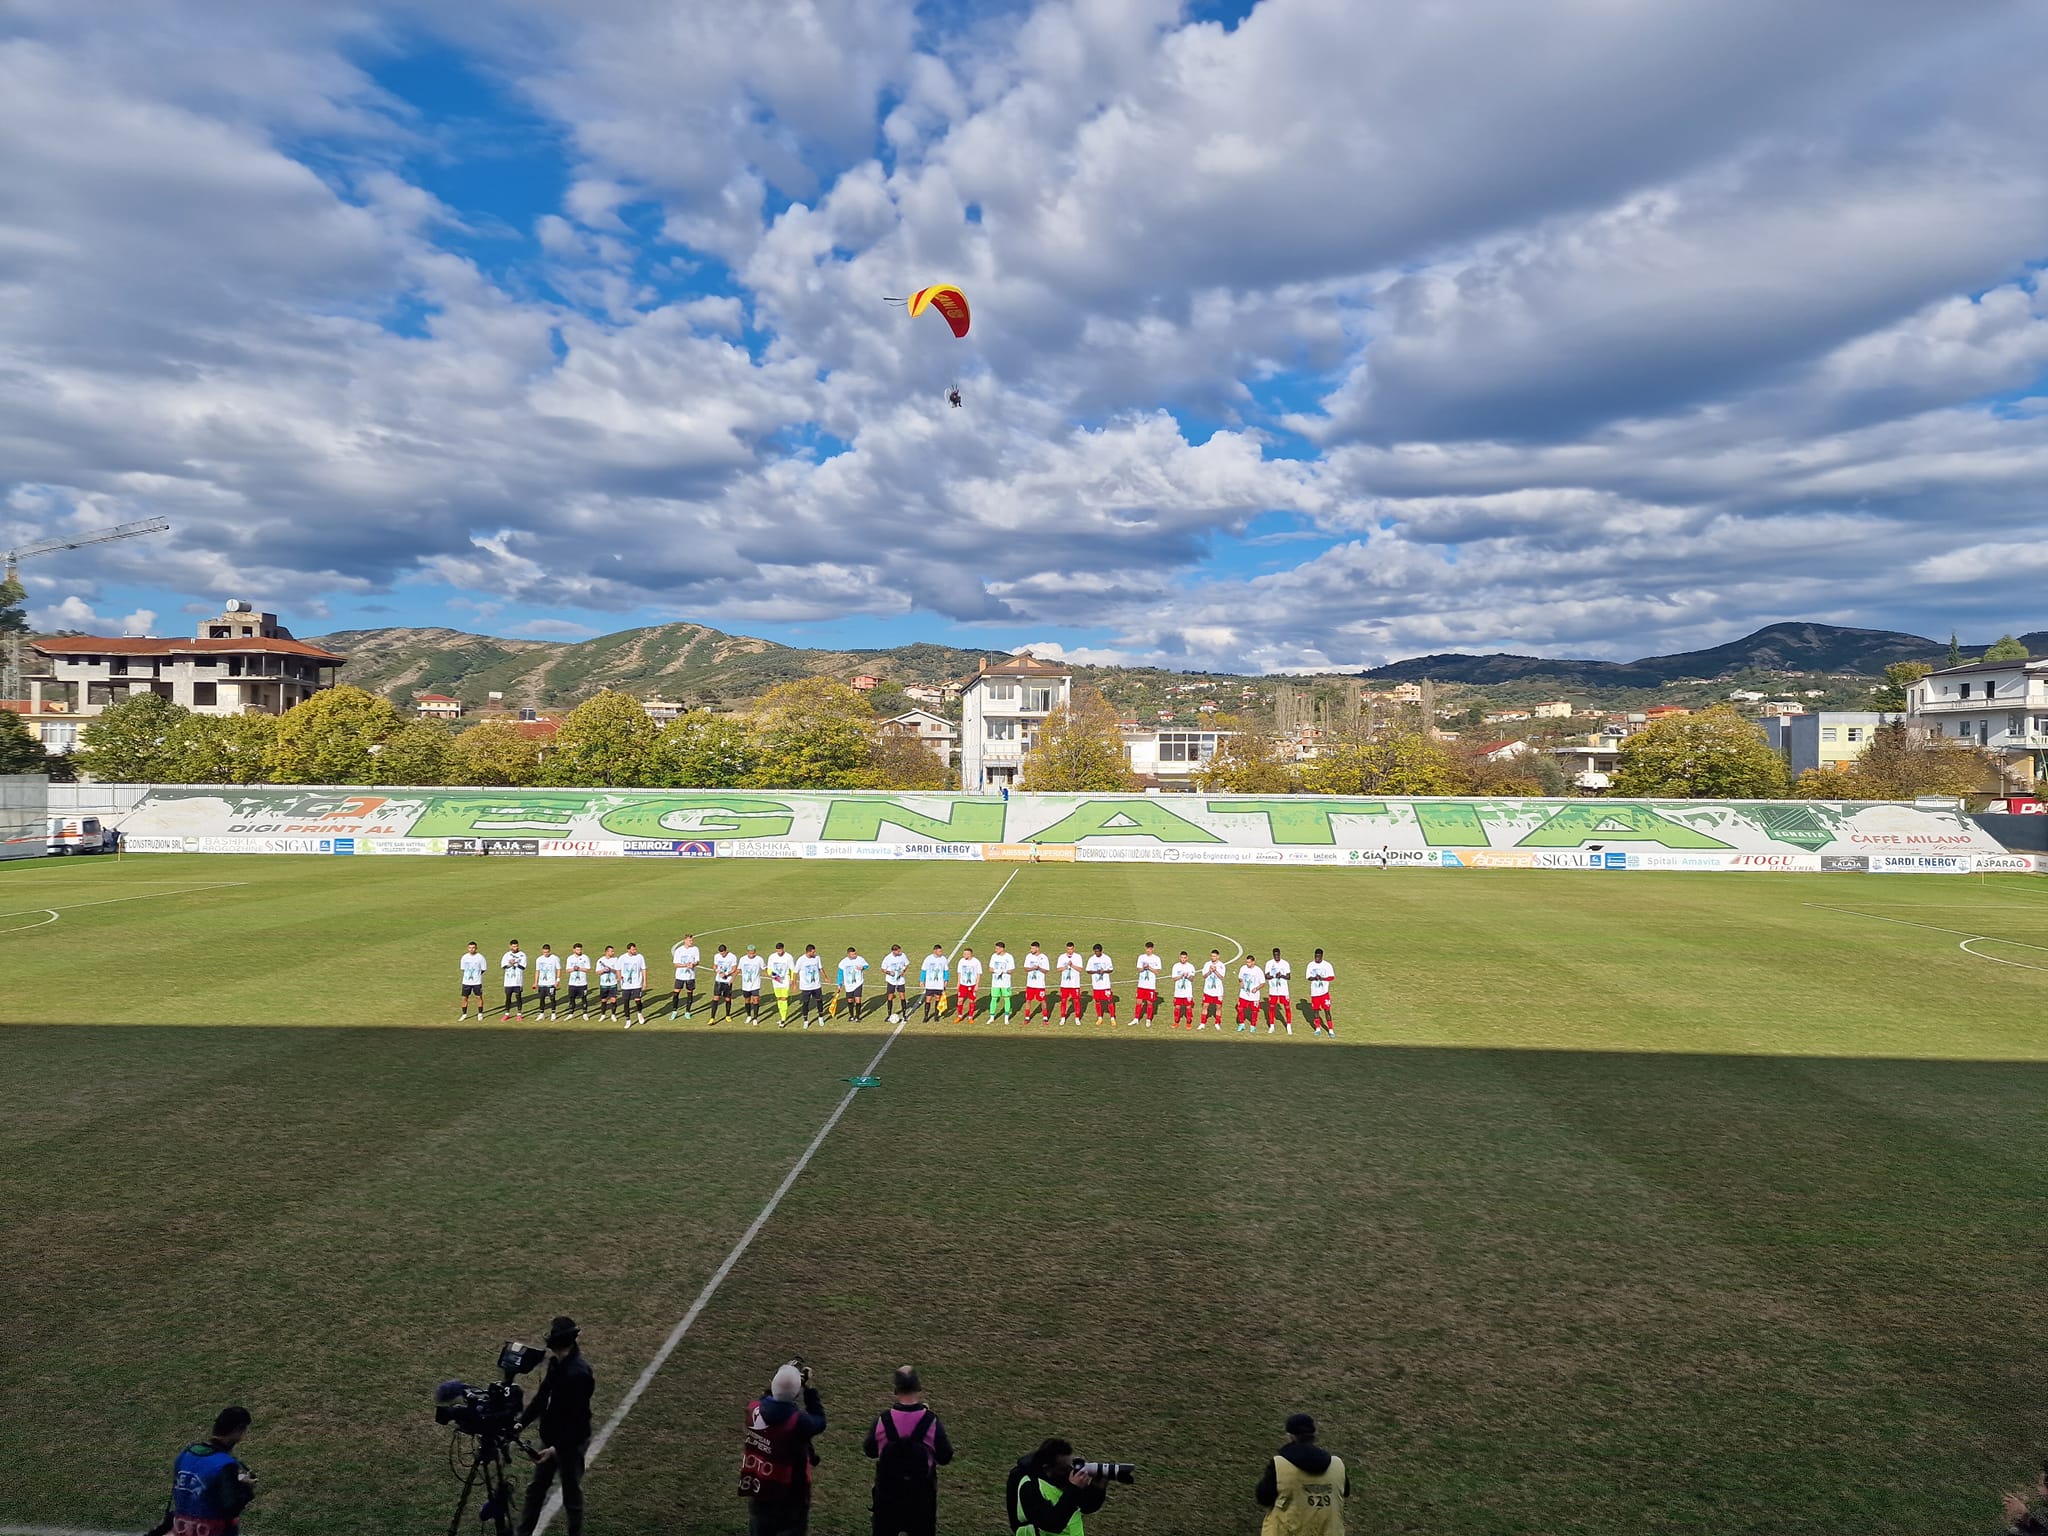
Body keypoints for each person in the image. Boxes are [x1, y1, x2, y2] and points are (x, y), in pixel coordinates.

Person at [516, 1316, 595, 1536]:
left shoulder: (578, 1374)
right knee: (536, 1490)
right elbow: (541, 1400)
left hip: (569, 1444)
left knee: (571, 1494)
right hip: (552, 1440)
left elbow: (579, 1422)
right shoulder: (556, 1365)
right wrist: (520, 1423)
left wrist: (556, 1449)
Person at [740, 1360, 826, 1536]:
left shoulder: (753, 1410)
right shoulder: (798, 1422)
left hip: (760, 1487)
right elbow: (819, 1420)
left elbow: (765, 1399)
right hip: (790, 1495)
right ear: (795, 1394)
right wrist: (809, 1390)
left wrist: (782, 1377)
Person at [865, 1366, 953, 1536]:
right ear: (918, 1389)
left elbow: (870, 1450)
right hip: (921, 1498)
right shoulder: (931, 1421)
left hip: (888, 1496)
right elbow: (945, 1456)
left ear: (895, 1390)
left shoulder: (883, 1420)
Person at [146, 1406, 256, 1536]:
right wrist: (246, 1487)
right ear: (238, 1430)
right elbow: (231, 1507)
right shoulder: (225, 1465)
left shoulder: (185, 1454)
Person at [1254, 1413, 1348, 1536]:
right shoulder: (1337, 1465)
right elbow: (1345, 1492)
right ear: (1314, 1435)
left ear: (1290, 1436)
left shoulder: (1279, 1465)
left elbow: (1263, 1497)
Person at [1005, 1438, 1107, 1536]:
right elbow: (1052, 1524)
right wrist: (1074, 1489)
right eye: (1064, 1469)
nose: (1070, 1472)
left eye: (1071, 1466)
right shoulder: (1028, 1485)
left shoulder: (1064, 1480)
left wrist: (1097, 1487)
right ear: (1047, 1468)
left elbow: (1087, 1507)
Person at [1305, 949, 1335, 1036]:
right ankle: (1317, 1028)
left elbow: (1332, 977)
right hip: (1315, 993)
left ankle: (1330, 1029)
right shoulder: (1310, 965)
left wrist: (1322, 978)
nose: (1317, 958)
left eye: (1319, 957)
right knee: (1316, 1011)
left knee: (1327, 1010)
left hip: (1324, 993)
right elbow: (1308, 977)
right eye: (1316, 956)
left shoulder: (1327, 965)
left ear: (1322, 956)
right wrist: (1314, 978)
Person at [1264, 948, 1294, 1035]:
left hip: (1284, 990)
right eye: (1275, 955)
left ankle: (1288, 1026)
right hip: (1273, 989)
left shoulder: (1285, 963)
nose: (1276, 957)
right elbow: (1266, 976)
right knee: (1272, 1007)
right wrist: (1274, 975)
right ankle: (1272, 1026)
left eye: (1277, 955)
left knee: (1287, 1007)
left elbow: (1289, 977)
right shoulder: (1269, 963)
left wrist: (1281, 975)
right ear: (1273, 955)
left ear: (1280, 954)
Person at [671, 933, 701, 1020]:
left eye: (692, 940)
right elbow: (676, 964)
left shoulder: (695, 949)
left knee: (690, 993)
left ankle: (688, 1012)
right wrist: (685, 965)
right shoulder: (679, 950)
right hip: (680, 976)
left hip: (690, 976)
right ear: (685, 940)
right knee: (676, 993)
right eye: (689, 940)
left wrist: (693, 964)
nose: (691, 942)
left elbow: (697, 961)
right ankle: (674, 1011)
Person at [618, 942, 648, 1027]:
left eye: (635, 949)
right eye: (633, 949)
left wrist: (644, 982)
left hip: (637, 983)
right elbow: (618, 968)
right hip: (626, 984)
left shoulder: (639, 957)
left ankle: (639, 1013)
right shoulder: (622, 958)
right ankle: (628, 1019)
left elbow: (643, 969)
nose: (635, 951)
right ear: (628, 950)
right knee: (626, 1002)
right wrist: (619, 976)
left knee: (637, 1000)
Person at [1086, 944, 1116, 1025]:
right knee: (1097, 1001)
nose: (1096, 953)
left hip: (1105, 985)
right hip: (1096, 985)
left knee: (1109, 1000)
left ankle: (1112, 1018)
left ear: (1101, 951)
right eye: (1095, 952)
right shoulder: (1091, 959)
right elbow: (1088, 971)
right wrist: (1096, 972)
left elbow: (1111, 969)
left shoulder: (1107, 958)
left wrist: (1104, 971)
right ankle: (1099, 1018)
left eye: (1098, 952)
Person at [797, 944, 826, 1027]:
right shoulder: (801, 960)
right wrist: (794, 983)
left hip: (816, 985)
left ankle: (820, 1017)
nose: (815, 953)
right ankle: (805, 1021)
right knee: (805, 1003)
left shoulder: (817, 958)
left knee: (819, 1001)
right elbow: (796, 971)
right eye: (813, 952)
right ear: (809, 952)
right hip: (805, 987)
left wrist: (825, 977)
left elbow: (820, 968)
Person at [1133, 942, 1162, 1026]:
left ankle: (1148, 1020)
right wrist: (1143, 968)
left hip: (1150, 985)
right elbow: (1139, 969)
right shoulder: (1141, 957)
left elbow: (1157, 971)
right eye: (1147, 949)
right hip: (1141, 984)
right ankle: (1136, 1018)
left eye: (1150, 949)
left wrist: (1149, 967)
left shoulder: (1156, 958)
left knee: (1149, 1002)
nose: (1148, 951)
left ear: (1152, 949)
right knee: (1138, 1001)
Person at [837, 946, 869, 1021]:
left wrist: (863, 968)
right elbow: (840, 974)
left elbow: (867, 965)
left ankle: (857, 1016)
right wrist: (839, 984)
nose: (854, 955)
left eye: (855, 954)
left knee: (858, 999)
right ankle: (851, 1016)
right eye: (852, 954)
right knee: (850, 1000)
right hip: (848, 985)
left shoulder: (860, 959)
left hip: (858, 983)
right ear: (848, 954)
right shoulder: (843, 962)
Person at [1236, 952, 1265, 1033]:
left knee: (1254, 1011)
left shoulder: (1258, 971)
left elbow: (1263, 983)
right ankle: (1241, 1024)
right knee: (1240, 1009)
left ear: (1253, 962)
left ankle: (1253, 1025)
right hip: (1244, 994)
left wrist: (1256, 988)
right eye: (1247, 962)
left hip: (1254, 995)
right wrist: (1241, 983)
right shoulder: (1243, 968)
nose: (1247, 964)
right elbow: (1240, 978)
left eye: (1249, 962)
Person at [1021, 942, 1051, 1023]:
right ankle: (1027, 1017)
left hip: (1040, 985)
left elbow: (1046, 970)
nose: (1031, 950)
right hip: (1030, 984)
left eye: (1033, 948)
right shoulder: (1028, 956)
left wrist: (1039, 968)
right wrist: (1032, 968)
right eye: (1031, 948)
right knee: (1028, 1000)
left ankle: (1045, 1017)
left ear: (1037, 948)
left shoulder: (1044, 957)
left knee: (1042, 1000)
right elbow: (1025, 969)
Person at [881, 944, 911, 1023]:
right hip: (891, 981)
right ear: (894, 951)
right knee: (890, 997)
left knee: (902, 996)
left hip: (900, 980)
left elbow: (907, 964)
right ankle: (889, 1015)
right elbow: (883, 969)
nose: (900, 952)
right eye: (898, 951)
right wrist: (889, 972)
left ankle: (904, 1015)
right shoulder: (888, 958)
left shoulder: (903, 955)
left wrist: (903, 971)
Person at [738, 944, 767, 1024]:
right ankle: (748, 1015)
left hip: (755, 984)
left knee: (756, 1000)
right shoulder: (742, 959)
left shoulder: (759, 959)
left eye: (753, 952)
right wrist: (732, 977)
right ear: (747, 952)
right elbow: (738, 969)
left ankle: (755, 1018)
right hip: (745, 985)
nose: (751, 954)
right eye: (750, 952)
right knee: (747, 1000)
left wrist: (767, 973)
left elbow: (764, 968)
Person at [1056, 944, 1085, 1024]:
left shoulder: (1078, 957)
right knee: (1063, 1000)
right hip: (1064, 984)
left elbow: (1080, 969)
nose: (1069, 951)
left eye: (1071, 949)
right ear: (1066, 949)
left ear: (1073, 949)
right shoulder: (1061, 957)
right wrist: (1065, 967)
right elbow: (1058, 969)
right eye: (1068, 949)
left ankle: (1077, 1018)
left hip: (1075, 984)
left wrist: (1072, 965)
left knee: (1076, 1001)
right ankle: (1062, 1017)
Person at [919, 945, 949, 1022]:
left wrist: (946, 980)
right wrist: (922, 980)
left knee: (937, 998)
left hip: (939, 984)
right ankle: (926, 1016)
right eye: (939, 951)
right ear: (935, 951)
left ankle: (936, 1015)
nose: (941, 953)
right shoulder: (928, 959)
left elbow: (946, 971)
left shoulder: (943, 959)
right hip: (930, 984)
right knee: (928, 999)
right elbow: (923, 970)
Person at [988, 941, 1016, 1022]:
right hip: (995, 982)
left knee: (1006, 998)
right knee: (994, 998)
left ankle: (1006, 1017)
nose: (995, 950)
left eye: (997, 948)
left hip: (1005, 983)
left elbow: (1011, 970)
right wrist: (997, 970)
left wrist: (1003, 971)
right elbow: (990, 969)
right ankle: (992, 1017)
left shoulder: (1009, 957)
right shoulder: (994, 956)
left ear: (1002, 949)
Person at [769, 942, 796, 1025]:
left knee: (784, 998)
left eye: (780, 950)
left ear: (783, 949)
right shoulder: (772, 957)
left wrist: (792, 979)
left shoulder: (788, 957)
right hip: (776, 981)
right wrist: (774, 976)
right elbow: (769, 969)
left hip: (785, 981)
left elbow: (792, 969)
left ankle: (783, 1019)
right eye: (778, 951)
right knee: (778, 998)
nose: (779, 952)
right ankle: (781, 1017)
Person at [501, 940, 528, 1021]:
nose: (515, 948)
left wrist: (515, 963)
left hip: (517, 981)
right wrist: (510, 964)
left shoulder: (522, 955)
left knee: (518, 997)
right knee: (508, 997)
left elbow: (523, 967)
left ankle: (519, 1014)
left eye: (516, 946)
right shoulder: (506, 955)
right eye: (513, 946)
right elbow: (503, 966)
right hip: (508, 981)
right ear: (510, 946)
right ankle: (507, 1013)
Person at [458, 942, 487, 1020]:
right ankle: (464, 1014)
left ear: (476, 948)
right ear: (468, 948)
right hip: (466, 982)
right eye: (470, 948)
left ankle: (480, 1014)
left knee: (479, 997)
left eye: (473, 948)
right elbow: (463, 969)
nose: (471, 949)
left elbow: (483, 969)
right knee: (464, 998)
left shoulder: (480, 957)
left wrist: (476, 975)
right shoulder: (464, 957)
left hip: (477, 982)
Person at [1200, 949, 1227, 1030]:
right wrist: (1209, 971)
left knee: (1218, 1007)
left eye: (1214, 956)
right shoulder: (1207, 964)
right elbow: (1204, 976)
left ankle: (1217, 1023)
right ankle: (1202, 1023)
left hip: (1218, 991)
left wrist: (1215, 971)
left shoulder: (1221, 965)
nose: (1213, 958)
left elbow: (1222, 977)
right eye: (1212, 956)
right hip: (1208, 990)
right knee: (1205, 1006)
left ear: (1218, 957)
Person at [713, 943, 739, 1023]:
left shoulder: (732, 957)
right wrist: (718, 971)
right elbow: (714, 966)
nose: (722, 955)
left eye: (723, 953)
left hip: (727, 981)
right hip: (718, 980)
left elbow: (734, 968)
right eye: (721, 953)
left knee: (727, 998)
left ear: (726, 951)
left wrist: (726, 974)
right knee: (716, 998)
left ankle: (728, 1015)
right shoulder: (716, 956)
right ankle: (712, 1017)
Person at [1170, 950, 1197, 1028]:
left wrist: (1187, 976)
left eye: (1184, 958)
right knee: (1177, 1007)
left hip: (1187, 992)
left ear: (1187, 958)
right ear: (1179, 957)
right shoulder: (1176, 966)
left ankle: (1188, 1023)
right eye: (1182, 957)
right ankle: (1176, 1022)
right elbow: (1174, 978)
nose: (1183, 959)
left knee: (1188, 1007)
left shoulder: (1190, 966)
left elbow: (1192, 979)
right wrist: (1181, 976)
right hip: (1178, 992)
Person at [566, 943, 592, 1020]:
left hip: (582, 983)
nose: (579, 951)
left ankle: (585, 1013)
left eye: (580, 949)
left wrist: (579, 968)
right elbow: (567, 970)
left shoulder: (585, 957)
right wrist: (573, 969)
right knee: (571, 998)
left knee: (584, 998)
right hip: (572, 983)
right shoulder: (570, 958)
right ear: (573, 950)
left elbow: (588, 969)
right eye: (577, 949)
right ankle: (571, 1013)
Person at [534, 944, 560, 1020]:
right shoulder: (539, 959)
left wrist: (557, 980)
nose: (546, 954)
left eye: (547, 952)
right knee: (541, 998)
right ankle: (541, 1013)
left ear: (550, 951)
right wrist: (536, 982)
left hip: (551, 983)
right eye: (544, 952)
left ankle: (553, 1013)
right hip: (542, 983)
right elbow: (537, 971)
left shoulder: (555, 958)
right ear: (542, 951)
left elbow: (558, 969)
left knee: (552, 998)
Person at [596, 945, 622, 1022]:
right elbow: (597, 972)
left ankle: (613, 1015)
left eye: (613, 951)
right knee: (603, 1000)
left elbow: (618, 970)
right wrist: (603, 970)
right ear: (607, 952)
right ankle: (603, 1015)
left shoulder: (615, 960)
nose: (613, 953)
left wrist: (611, 970)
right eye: (612, 951)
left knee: (613, 999)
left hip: (613, 983)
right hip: (603, 984)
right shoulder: (600, 960)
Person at [955, 947, 982, 1020]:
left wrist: (977, 985)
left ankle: (970, 1016)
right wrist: (958, 982)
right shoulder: (961, 961)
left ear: (969, 954)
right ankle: (959, 1016)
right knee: (960, 1000)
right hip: (963, 985)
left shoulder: (976, 962)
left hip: (972, 985)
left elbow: (979, 974)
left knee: (972, 1000)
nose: (963, 955)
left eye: (965, 954)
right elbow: (959, 972)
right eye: (963, 953)